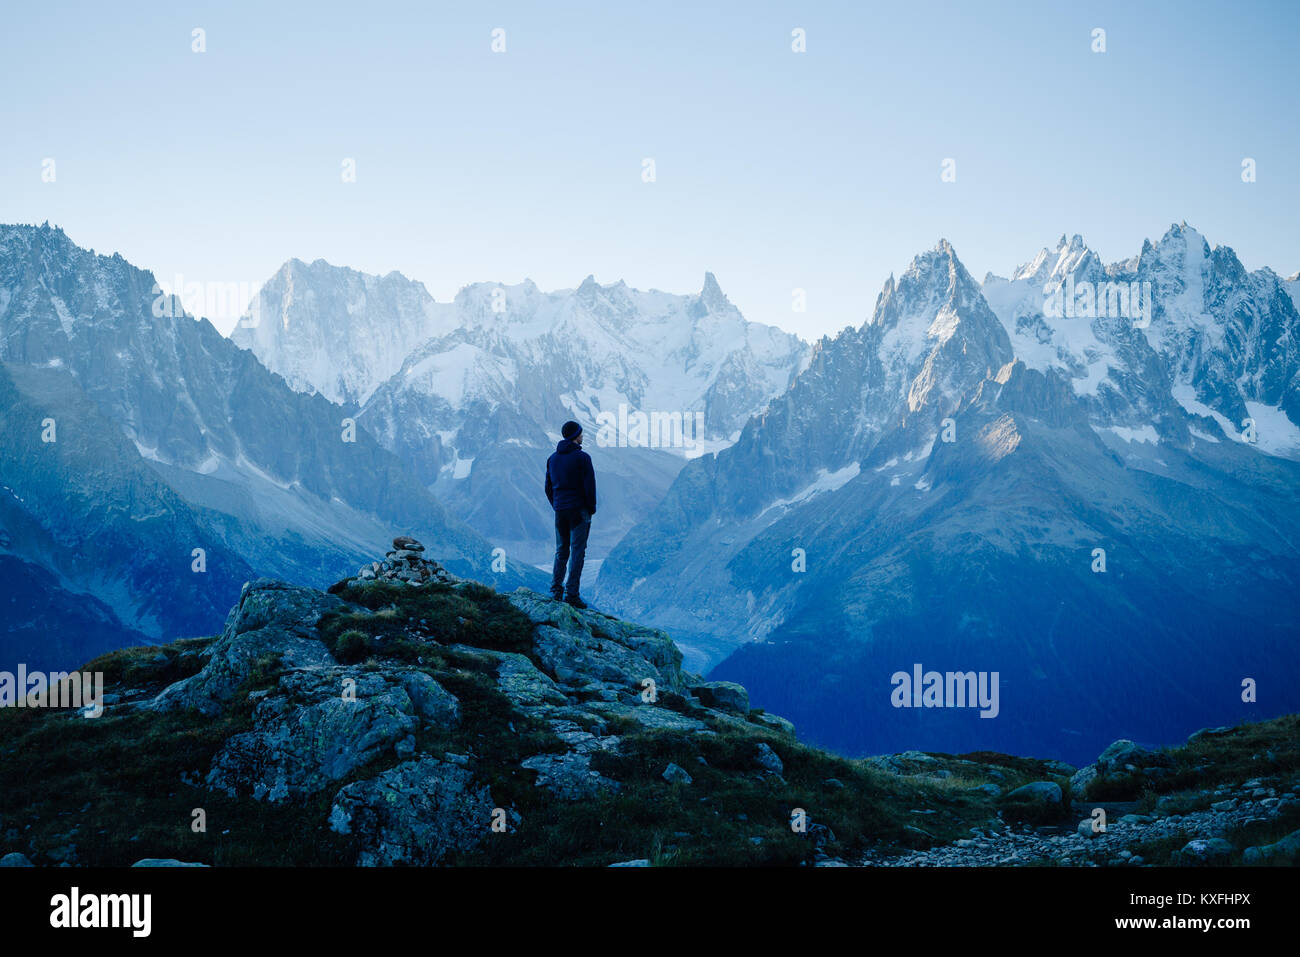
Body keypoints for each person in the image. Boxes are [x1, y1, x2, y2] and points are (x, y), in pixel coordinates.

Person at [545, 420, 596, 608]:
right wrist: (590, 508)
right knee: (577, 552)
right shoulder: (583, 458)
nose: (582, 436)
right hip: (578, 511)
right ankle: (572, 594)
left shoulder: (552, 459)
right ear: (576, 435)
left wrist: (557, 505)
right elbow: (589, 486)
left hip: (560, 511)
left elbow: (548, 487)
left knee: (561, 551)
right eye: (581, 433)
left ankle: (555, 591)